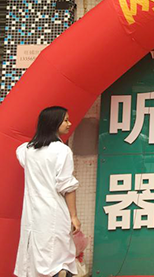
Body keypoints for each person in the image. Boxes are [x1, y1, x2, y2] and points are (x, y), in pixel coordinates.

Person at [14, 107, 81, 277]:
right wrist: (73, 216)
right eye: (65, 120)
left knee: (35, 256)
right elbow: (67, 186)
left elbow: (20, 152)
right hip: (54, 211)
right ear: (53, 123)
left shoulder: (27, 150)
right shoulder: (62, 150)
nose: (69, 124)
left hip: (32, 214)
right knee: (58, 257)